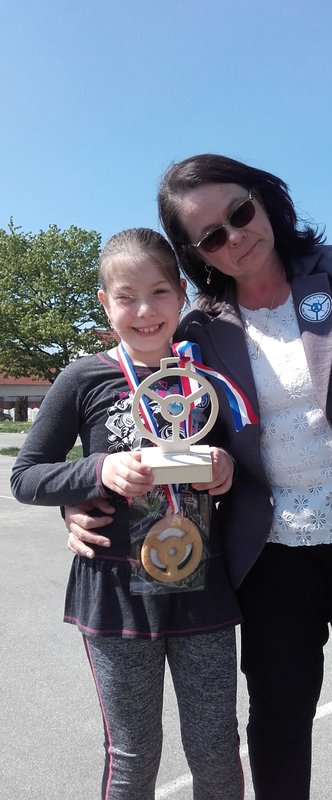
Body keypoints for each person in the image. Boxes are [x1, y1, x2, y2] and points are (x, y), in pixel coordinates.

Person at [67, 155, 332, 800]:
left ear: (265, 198)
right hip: (267, 555)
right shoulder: (197, 327)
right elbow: (148, 430)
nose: (235, 237)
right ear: (196, 255)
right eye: (210, 236)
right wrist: (80, 499)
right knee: (277, 722)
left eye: (240, 213)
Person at [10, 227, 245, 800]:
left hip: (202, 587)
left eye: (160, 292)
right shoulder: (83, 377)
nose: (145, 311)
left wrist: (227, 470)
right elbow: (26, 475)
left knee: (216, 747)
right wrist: (98, 471)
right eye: (126, 297)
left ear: (182, 292)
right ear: (104, 302)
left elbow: (243, 462)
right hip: (116, 593)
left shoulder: (206, 374)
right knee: (133, 754)